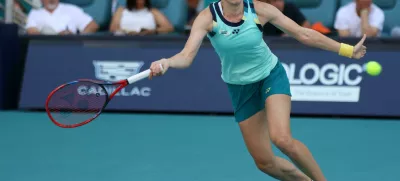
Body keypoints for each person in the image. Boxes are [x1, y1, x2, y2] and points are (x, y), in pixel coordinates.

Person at [149, 0, 366, 180]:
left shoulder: (260, 10)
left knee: (281, 139)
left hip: (270, 75)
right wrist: (167, 62)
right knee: (264, 163)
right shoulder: (207, 18)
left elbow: (303, 34)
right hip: (240, 88)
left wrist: (347, 50)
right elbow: (186, 57)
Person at [25, 0, 99, 35]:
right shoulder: (35, 13)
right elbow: (31, 31)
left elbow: (92, 25)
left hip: (69, 47)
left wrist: (78, 38)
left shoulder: (71, 9)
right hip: (45, 48)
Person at [109, 0, 174, 35]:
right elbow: (113, 28)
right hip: (124, 42)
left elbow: (169, 27)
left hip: (147, 43)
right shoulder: (121, 10)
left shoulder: (153, 11)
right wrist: (127, 32)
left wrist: (152, 31)